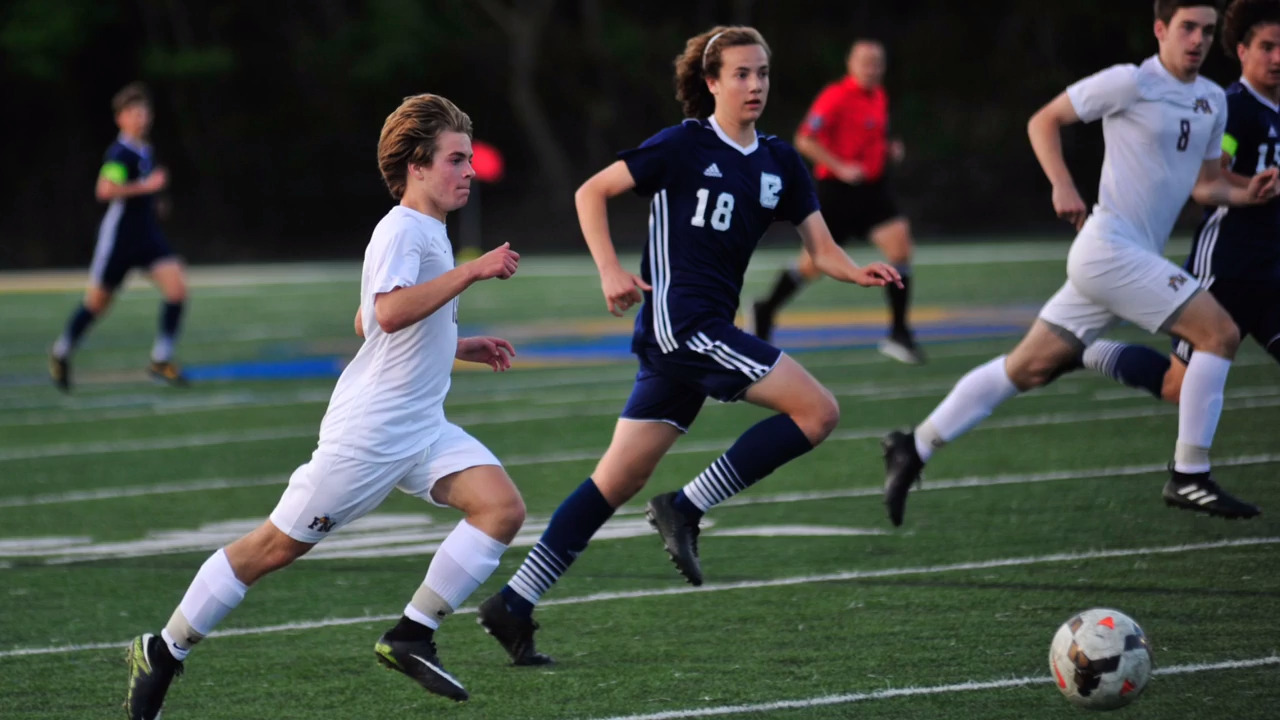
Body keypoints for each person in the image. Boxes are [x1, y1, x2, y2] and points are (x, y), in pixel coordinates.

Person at [473, 25, 900, 667]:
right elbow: (591, 192)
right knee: (818, 411)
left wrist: (856, 270)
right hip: (685, 327)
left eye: (761, 73)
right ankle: (686, 505)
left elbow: (822, 247)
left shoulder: (780, 161)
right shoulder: (682, 145)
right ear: (710, 82)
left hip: (695, 338)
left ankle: (514, 602)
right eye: (739, 74)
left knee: (616, 479)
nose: (754, 85)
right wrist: (611, 271)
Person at [125, 93, 526, 719]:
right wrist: (473, 274)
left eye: (469, 159)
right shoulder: (401, 227)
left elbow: (369, 320)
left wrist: (461, 343)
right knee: (272, 549)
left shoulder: (428, 232)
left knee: (500, 508)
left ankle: (412, 635)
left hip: (419, 427)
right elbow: (389, 313)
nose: (469, 170)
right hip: (368, 435)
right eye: (456, 159)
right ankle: (165, 648)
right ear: (417, 165)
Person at [881, 0, 1276, 529]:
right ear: (1160, 29)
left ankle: (915, 444)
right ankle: (1189, 473)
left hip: (1128, 256)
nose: (1198, 40)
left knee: (1026, 368)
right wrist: (1062, 184)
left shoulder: (1210, 100)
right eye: (1186, 28)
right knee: (1220, 334)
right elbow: (1044, 120)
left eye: (1206, 30)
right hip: (1108, 248)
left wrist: (1249, 191)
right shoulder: (1129, 82)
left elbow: (1206, 184)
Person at [1083, 0, 1280, 406]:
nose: (1277, 58)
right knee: (1178, 387)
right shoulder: (1233, 108)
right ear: (1242, 52)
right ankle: (1085, 350)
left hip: (1273, 270)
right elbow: (1214, 172)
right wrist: (1253, 188)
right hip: (1226, 269)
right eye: (1266, 46)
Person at [750, 39, 922, 364]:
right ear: (851, 64)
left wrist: (888, 150)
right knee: (812, 265)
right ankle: (766, 308)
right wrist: (840, 167)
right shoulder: (836, 97)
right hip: (837, 192)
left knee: (900, 248)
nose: (872, 69)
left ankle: (898, 332)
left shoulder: (879, 97)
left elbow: (870, 137)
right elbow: (804, 138)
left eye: (877, 63)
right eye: (866, 62)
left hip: (873, 191)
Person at [48, 82, 190, 391]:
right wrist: (148, 188)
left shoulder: (145, 150)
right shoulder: (120, 153)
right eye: (133, 112)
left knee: (177, 288)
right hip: (121, 241)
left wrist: (156, 201)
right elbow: (105, 190)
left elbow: (145, 191)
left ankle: (161, 359)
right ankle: (61, 351)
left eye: (144, 112)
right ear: (120, 118)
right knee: (97, 304)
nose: (141, 118)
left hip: (147, 237)